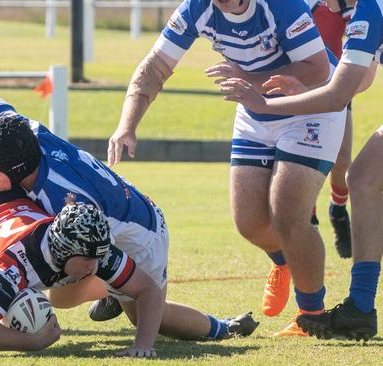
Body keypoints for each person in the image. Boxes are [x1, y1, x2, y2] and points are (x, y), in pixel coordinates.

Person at [0, 81, 259, 342]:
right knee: (60, 293)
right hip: (103, 214)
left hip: (143, 231)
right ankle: (110, 288)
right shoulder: (21, 133)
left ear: (17, 174)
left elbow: (75, 246)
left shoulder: (67, 204)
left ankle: (221, 328)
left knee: (144, 313)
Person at [106, 0, 347, 336]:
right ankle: (285, 261)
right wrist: (126, 126)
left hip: (311, 106)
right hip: (254, 109)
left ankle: (312, 314)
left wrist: (248, 80)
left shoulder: (279, 5)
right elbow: (155, 67)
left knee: (288, 212)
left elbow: (317, 68)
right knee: (248, 222)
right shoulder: (195, 8)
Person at [0, 152, 258, 357]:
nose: (97, 265)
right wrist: (33, 342)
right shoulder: (13, 266)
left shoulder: (90, 247)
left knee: (96, 296)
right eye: (89, 260)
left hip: (20, 213)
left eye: (99, 258)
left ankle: (221, 326)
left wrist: (142, 348)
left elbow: (148, 289)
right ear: (66, 251)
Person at [219, 0, 380, 341]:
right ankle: (361, 308)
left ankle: (360, 306)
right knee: (363, 176)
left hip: (325, 101)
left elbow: (340, 94)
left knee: (358, 173)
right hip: (322, 95)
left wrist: (264, 103)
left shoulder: (371, 9)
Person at [307, 0, 355, 259]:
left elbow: (361, 27)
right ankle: (308, 217)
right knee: (304, 156)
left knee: (342, 159)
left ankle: (338, 211)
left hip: (338, 87)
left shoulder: (338, 2)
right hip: (300, 89)